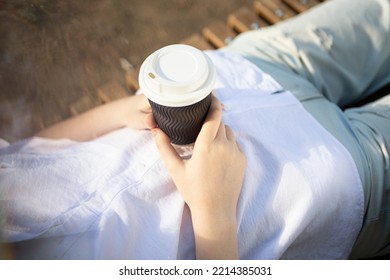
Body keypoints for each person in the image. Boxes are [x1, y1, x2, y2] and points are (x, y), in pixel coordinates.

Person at [0, 0, 389, 259]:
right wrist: (212, 211)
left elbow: (27, 153)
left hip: (249, 71)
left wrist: (115, 113)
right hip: (325, 180)